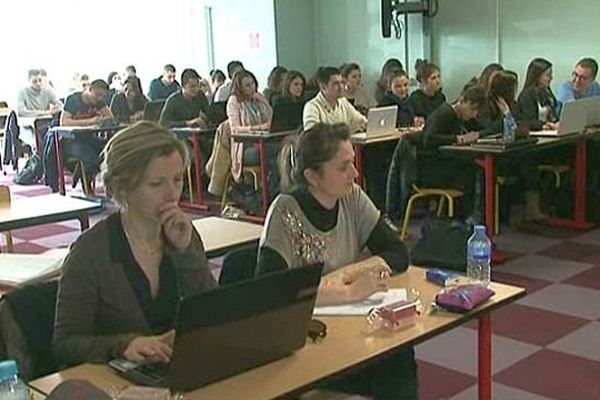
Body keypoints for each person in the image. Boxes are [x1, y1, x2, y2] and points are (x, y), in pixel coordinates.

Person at [257, 122, 417, 400]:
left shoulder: (351, 197)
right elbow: (273, 292)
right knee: (392, 367)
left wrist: (353, 271)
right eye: (343, 167)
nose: (354, 174)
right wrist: (346, 291)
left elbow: (397, 253)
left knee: (398, 355)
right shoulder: (285, 211)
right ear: (313, 176)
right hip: (302, 340)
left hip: (342, 327)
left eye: (352, 164)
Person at [53, 121, 216, 366]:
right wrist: (125, 345)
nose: (172, 193)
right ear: (123, 186)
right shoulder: (91, 250)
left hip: (179, 368)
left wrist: (185, 252)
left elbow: (212, 310)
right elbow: (65, 344)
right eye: (156, 184)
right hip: (117, 382)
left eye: (177, 180)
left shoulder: (182, 232)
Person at [481, 71, 546, 221]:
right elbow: (488, 128)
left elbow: (522, 122)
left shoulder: (512, 104)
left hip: (511, 150)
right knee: (525, 161)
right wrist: (506, 115)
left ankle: (531, 209)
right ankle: (526, 209)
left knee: (529, 158)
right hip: (493, 154)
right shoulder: (487, 104)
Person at [421, 84, 487, 219]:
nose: (474, 114)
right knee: (474, 170)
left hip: (443, 164)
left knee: (475, 167)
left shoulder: (460, 117)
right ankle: (468, 217)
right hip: (430, 169)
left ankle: (468, 216)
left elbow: (484, 129)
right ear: (462, 101)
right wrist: (459, 139)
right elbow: (428, 139)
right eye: (472, 109)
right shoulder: (445, 114)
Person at [60, 79, 114, 180]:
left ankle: (82, 174)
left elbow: (110, 118)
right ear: (89, 89)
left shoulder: (98, 101)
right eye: (98, 95)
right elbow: (64, 122)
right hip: (72, 140)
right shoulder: (73, 99)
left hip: (90, 138)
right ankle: (87, 186)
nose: (100, 98)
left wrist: (102, 119)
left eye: (103, 96)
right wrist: (90, 121)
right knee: (90, 158)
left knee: (108, 153)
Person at [303, 66, 367, 131]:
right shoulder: (312, 107)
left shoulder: (343, 102)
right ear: (323, 87)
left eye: (342, 82)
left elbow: (361, 120)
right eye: (335, 84)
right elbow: (311, 136)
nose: (341, 87)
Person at [516, 58, 559, 131]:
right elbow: (528, 121)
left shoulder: (547, 93)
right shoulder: (526, 96)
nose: (551, 78)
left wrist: (557, 123)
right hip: (535, 134)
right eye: (548, 75)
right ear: (537, 76)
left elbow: (553, 115)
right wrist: (543, 125)